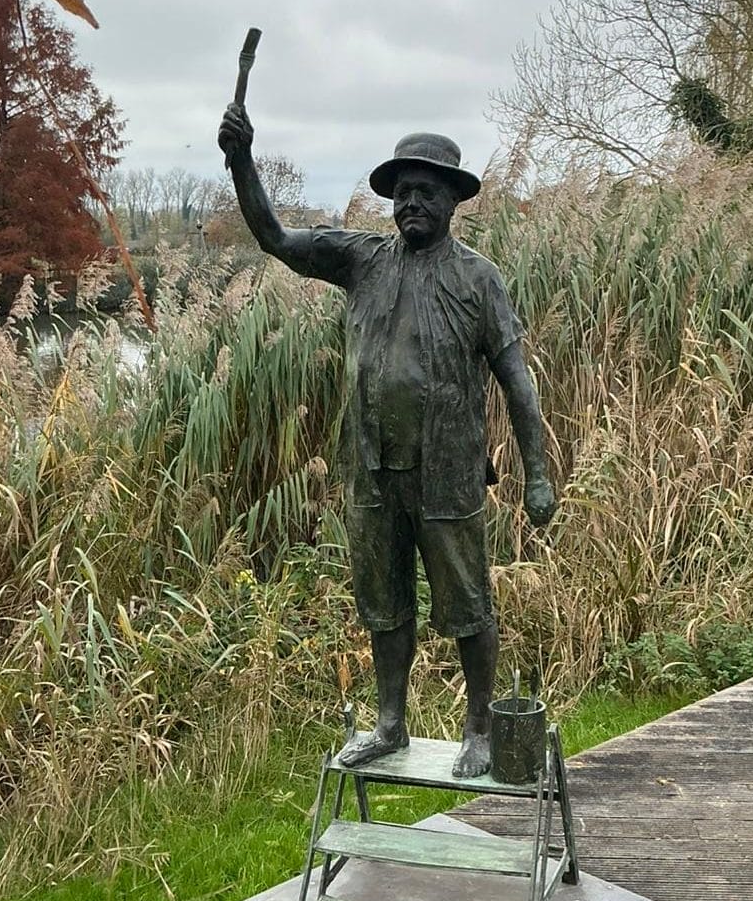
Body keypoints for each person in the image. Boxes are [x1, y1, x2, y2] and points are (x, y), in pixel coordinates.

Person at [218, 105, 556, 778]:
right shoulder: (361, 260)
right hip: (372, 469)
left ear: (453, 199)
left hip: (448, 472)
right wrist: (241, 162)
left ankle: (480, 726)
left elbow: (518, 383)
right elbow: (277, 238)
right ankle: (391, 723)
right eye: (402, 191)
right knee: (383, 600)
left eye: (426, 190)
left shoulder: (478, 279)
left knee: (467, 604)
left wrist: (539, 474)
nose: (411, 202)